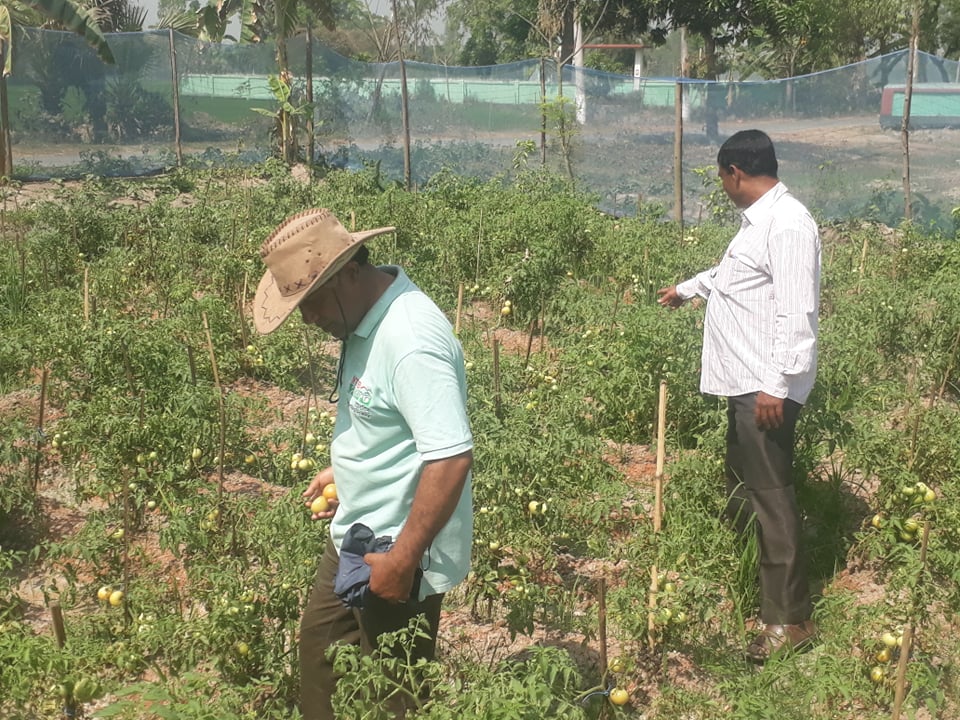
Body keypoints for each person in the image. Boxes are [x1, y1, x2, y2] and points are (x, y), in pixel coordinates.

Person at [252, 208, 474, 718]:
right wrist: (348, 471)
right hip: (356, 536)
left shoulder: (411, 340)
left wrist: (402, 560)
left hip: (399, 552)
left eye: (311, 302)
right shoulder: (361, 317)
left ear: (349, 271)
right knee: (321, 657)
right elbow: (387, 418)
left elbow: (450, 457)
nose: (308, 319)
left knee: (396, 693)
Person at [657, 129, 821, 663]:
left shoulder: (788, 223)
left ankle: (789, 621)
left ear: (735, 174)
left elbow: (798, 311)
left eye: (722, 177)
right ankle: (749, 577)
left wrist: (778, 384)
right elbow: (734, 278)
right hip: (747, 381)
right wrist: (687, 289)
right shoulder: (759, 225)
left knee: (771, 498)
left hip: (764, 387)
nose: (724, 186)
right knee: (747, 485)